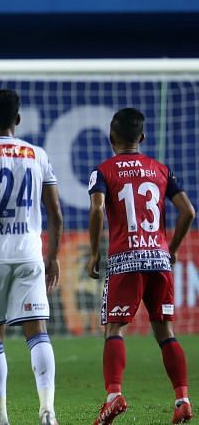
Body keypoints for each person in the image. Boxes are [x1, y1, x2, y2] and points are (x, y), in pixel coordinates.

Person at [87, 108, 195, 425]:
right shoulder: (161, 170)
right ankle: (182, 399)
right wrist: (171, 249)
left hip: (125, 259)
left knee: (115, 328)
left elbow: (96, 210)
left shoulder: (103, 170)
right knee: (165, 331)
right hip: (158, 258)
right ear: (142, 138)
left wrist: (95, 252)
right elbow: (188, 211)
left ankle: (113, 396)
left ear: (111, 138)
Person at [0, 89, 63, 425]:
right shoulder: (38, 154)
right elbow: (57, 214)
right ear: (17, 120)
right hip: (29, 254)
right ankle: (47, 410)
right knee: (38, 331)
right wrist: (52, 256)